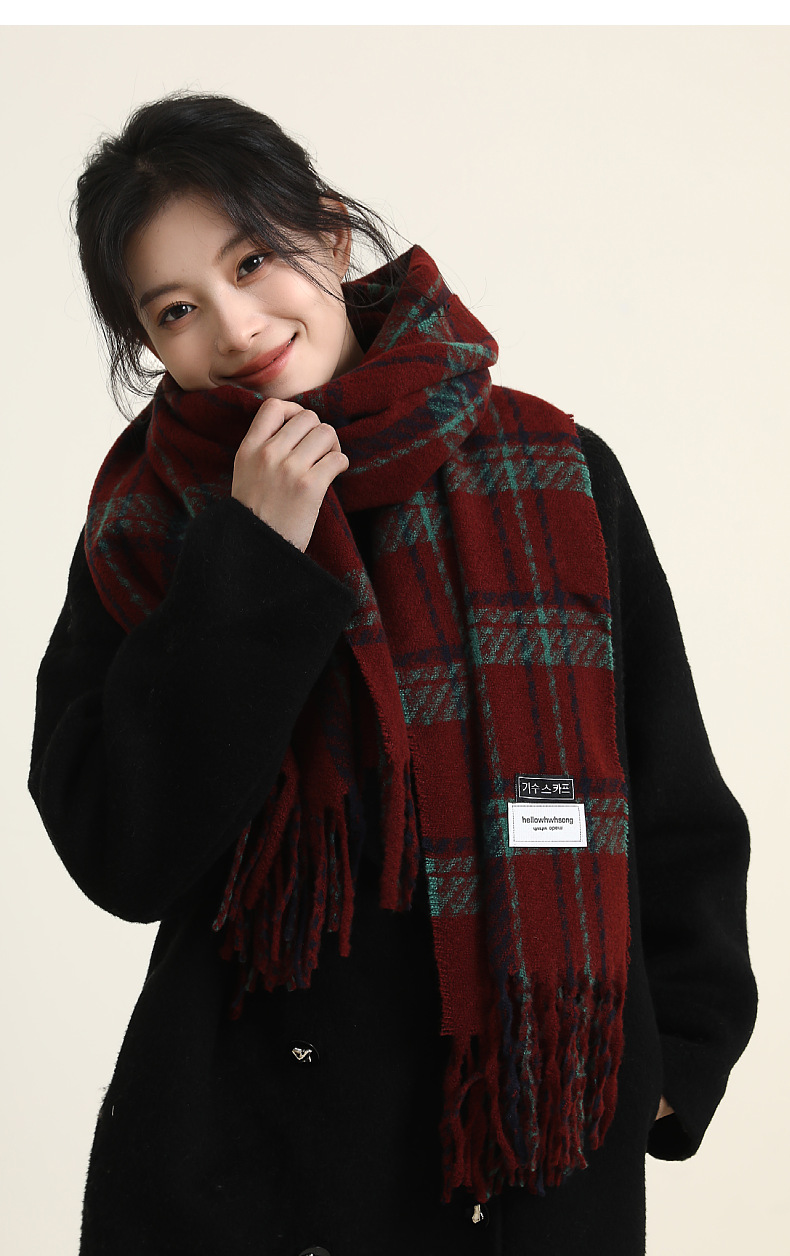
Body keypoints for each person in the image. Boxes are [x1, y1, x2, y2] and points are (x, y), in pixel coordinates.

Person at [28, 92, 757, 1256]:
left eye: (251, 260)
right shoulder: (151, 527)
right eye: (176, 309)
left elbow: (672, 800)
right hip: (250, 1168)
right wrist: (251, 558)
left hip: (525, 1162)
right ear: (150, 346)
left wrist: (676, 1064)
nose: (235, 323)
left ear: (328, 233)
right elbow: (125, 850)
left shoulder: (555, 471)